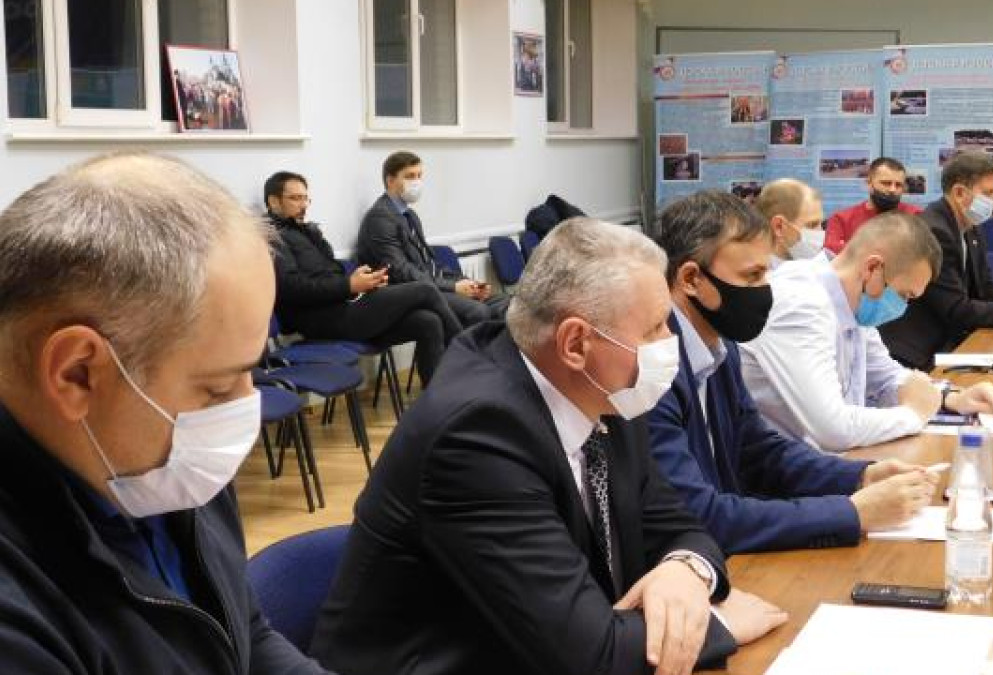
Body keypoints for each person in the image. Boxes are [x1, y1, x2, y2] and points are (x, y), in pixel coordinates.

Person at [310, 218, 785, 675]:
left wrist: (686, 570)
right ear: (575, 343)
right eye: (654, 328)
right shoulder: (477, 435)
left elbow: (678, 524)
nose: (670, 343)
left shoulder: (607, 390)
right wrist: (716, 624)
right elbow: (590, 659)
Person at [0, 153, 330, 673]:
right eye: (216, 388)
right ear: (77, 373)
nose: (241, 409)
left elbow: (243, 634)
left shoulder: (164, 459)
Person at [646, 190, 938, 554]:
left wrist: (860, 475)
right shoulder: (654, 368)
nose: (766, 290)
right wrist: (852, 512)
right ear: (691, 278)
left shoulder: (720, 346)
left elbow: (758, 451)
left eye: (766, 272)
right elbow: (701, 515)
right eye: (752, 276)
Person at [741, 211, 993, 452]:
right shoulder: (801, 303)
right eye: (904, 295)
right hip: (779, 478)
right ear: (873, 268)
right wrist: (914, 415)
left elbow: (887, 377)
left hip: (822, 464)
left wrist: (951, 398)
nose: (903, 307)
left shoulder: (854, 304)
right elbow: (832, 429)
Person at [268, 170, 462, 384]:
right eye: (295, 198)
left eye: (306, 198)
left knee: (428, 322)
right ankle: (470, 355)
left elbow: (331, 274)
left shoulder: (309, 232)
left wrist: (365, 282)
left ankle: (438, 396)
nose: (304, 205)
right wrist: (349, 285)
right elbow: (291, 287)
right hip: (320, 321)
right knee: (424, 290)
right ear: (274, 201)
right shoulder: (272, 237)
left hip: (344, 307)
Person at [879, 151, 993, 371]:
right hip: (917, 352)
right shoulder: (934, 231)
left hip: (949, 341)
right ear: (959, 192)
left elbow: (987, 291)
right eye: (988, 193)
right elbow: (958, 311)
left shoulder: (970, 227)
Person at [356, 151, 506, 327]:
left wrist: (468, 283)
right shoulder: (380, 218)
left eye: (419, 175)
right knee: (478, 311)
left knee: (504, 304)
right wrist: (453, 287)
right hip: (406, 294)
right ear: (390, 180)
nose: (417, 182)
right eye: (410, 176)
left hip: (429, 286)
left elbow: (430, 264)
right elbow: (401, 272)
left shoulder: (409, 215)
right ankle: (465, 346)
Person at [824, 157, 923, 254]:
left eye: (898, 185)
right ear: (869, 184)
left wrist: (854, 250)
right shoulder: (841, 220)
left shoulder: (915, 216)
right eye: (886, 183)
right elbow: (830, 254)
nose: (892, 190)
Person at [754, 178, 825, 269]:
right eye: (812, 225)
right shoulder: (760, 274)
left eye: (821, 224)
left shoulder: (810, 266)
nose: (821, 232)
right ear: (779, 226)